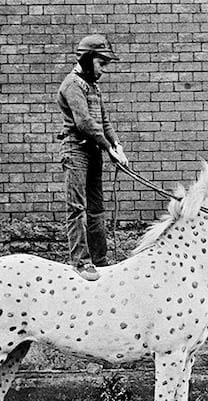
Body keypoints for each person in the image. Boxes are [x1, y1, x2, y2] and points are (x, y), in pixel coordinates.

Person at [57, 34, 129, 281]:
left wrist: (117, 146)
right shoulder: (72, 84)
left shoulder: (94, 86)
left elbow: (103, 121)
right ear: (87, 60)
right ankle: (80, 262)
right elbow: (85, 122)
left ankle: (100, 261)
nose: (103, 69)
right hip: (75, 150)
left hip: (94, 150)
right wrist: (108, 147)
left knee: (97, 209)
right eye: (101, 63)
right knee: (77, 207)